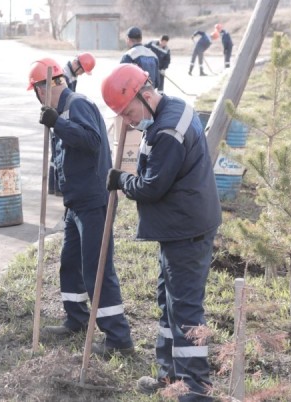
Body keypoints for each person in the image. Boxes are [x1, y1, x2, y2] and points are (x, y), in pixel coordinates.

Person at [101, 64, 221, 399]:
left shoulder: (167, 131)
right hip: (181, 225)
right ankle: (170, 377)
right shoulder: (175, 106)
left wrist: (122, 180)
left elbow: (152, 187)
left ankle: (194, 390)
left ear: (146, 94)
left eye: (129, 112)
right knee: (168, 302)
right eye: (122, 116)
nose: (128, 121)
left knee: (184, 310)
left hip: (187, 229)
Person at [28, 57, 134, 358]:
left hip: (93, 203)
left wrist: (57, 123)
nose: (36, 98)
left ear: (44, 88)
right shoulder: (63, 111)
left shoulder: (77, 104)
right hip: (75, 204)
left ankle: (118, 338)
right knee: (70, 264)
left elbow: (90, 141)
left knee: (97, 270)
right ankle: (76, 319)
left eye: (35, 91)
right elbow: (67, 155)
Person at [50, 52, 96, 196]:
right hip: (58, 118)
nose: (82, 73)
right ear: (76, 63)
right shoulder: (61, 76)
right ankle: (55, 186)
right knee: (58, 153)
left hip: (66, 118)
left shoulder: (73, 75)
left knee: (62, 152)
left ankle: (56, 187)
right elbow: (53, 96)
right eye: (82, 70)